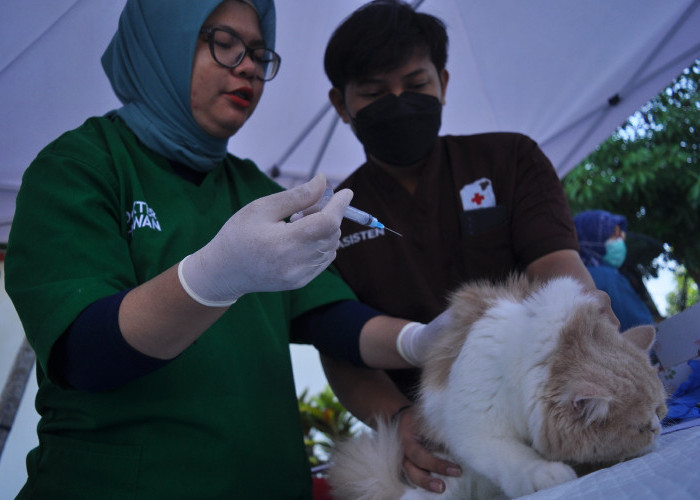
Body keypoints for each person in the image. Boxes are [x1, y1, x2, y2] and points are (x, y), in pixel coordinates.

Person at [4, 1, 447, 497]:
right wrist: (213, 278)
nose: (250, 67)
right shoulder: (81, 166)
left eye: (259, 52)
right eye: (224, 43)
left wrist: (420, 340)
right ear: (161, 41)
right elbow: (86, 353)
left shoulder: (252, 186)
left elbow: (328, 316)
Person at [319, 0, 617, 494]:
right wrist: (402, 421)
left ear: (444, 83)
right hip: (434, 446)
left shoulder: (509, 159)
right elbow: (340, 348)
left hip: (541, 406)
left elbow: (560, 273)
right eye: (374, 92)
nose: (398, 102)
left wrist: (591, 345)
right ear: (340, 104)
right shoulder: (331, 219)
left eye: (416, 86)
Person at [574, 210, 655, 331]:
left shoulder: (573, 276)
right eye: (614, 233)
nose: (620, 239)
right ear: (595, 237)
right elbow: (642, 328)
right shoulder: (607, 278)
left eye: (621, 234)